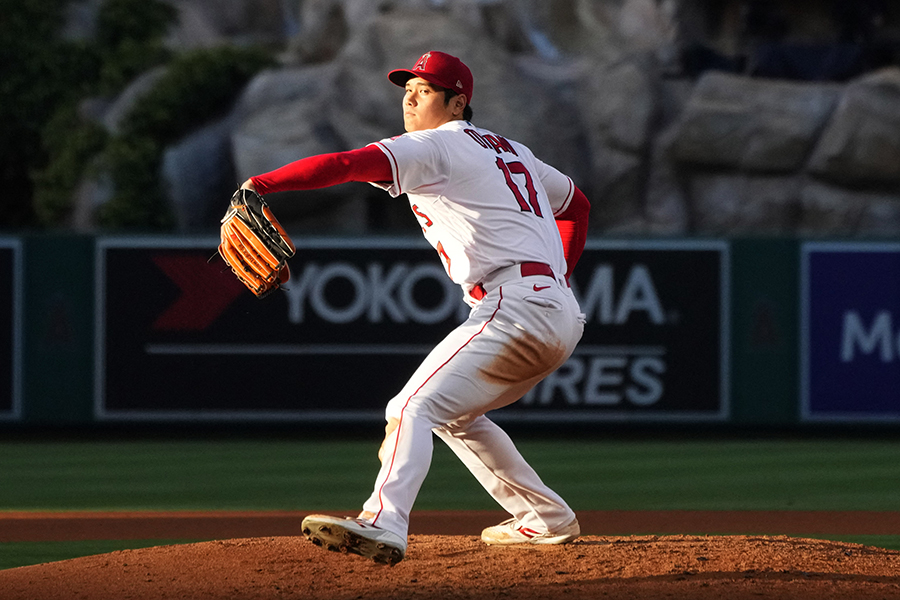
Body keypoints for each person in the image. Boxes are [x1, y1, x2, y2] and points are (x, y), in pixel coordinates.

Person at [240, 50, 591, 565]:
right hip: (554, 310)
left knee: (409, 407)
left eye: (424, 90)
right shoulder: (512, 150)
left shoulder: (435, 146)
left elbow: (347, 164)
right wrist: (558, 274)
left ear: (457, 102)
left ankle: (384, 521)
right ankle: (546, 518)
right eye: (407, 87)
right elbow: (577, 206)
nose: (409, 96)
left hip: (514, 307)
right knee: (458, 416)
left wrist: (259, 185)